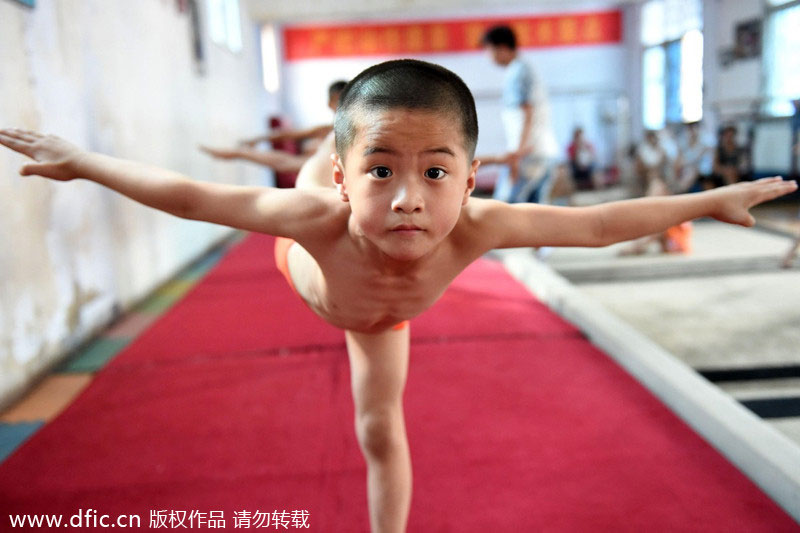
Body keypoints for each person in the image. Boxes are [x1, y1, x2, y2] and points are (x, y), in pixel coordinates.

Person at [1, 59, 795, 533]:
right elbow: (186, 195)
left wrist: (704, 201)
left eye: (436, 172)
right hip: (308, 266)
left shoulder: (478, 225)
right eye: (384, 170)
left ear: (472, 178)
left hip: (383, 318)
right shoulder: (315, 213)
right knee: (312, 185)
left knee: (380, 427)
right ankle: (331, 147)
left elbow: (595, 224)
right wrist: (85, 161)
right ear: (356, 182)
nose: (412, 198)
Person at [199, 80, 347, 175]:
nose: (340, 105)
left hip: (333, 167)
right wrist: (257, 139)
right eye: (337, 101)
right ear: (330, 104)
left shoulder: (345, 128)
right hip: (318, 166)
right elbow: (287, 135)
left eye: (344, 100)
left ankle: (238, 152)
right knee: (287, 160)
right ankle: (238, 152)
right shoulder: (326, 129)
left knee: (293, 158)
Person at [481, 25, 558, 204]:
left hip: (528, 154)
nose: (488, 56)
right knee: (535, 214)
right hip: (541, 151)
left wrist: (516, 156)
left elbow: (526, 114)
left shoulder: (518, 71)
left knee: (505, 210)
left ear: (502, 48)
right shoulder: (524, 68)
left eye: (489, 50)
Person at [673, 121, 712, 193]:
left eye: (693, 128)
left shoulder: (704, 144)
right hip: (686, 171)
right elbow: (678, 161)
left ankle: (681, 190)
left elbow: (704, 164)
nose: (691, 131)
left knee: (692, 171)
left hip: (700, 171)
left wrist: (686, 164)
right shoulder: (683, 144)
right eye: (689, 129)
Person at [707, 124, 748, 189]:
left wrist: (733, 169)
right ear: (723, 136)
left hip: (736, 174)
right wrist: (725, 170)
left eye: (731, 136)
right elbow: (715, 167)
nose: (729, 138)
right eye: (727, 136)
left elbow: (743, 165)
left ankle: (732, 193)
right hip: (720, 175)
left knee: (731, 173)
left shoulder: (740, 150)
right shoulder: (718, 150)